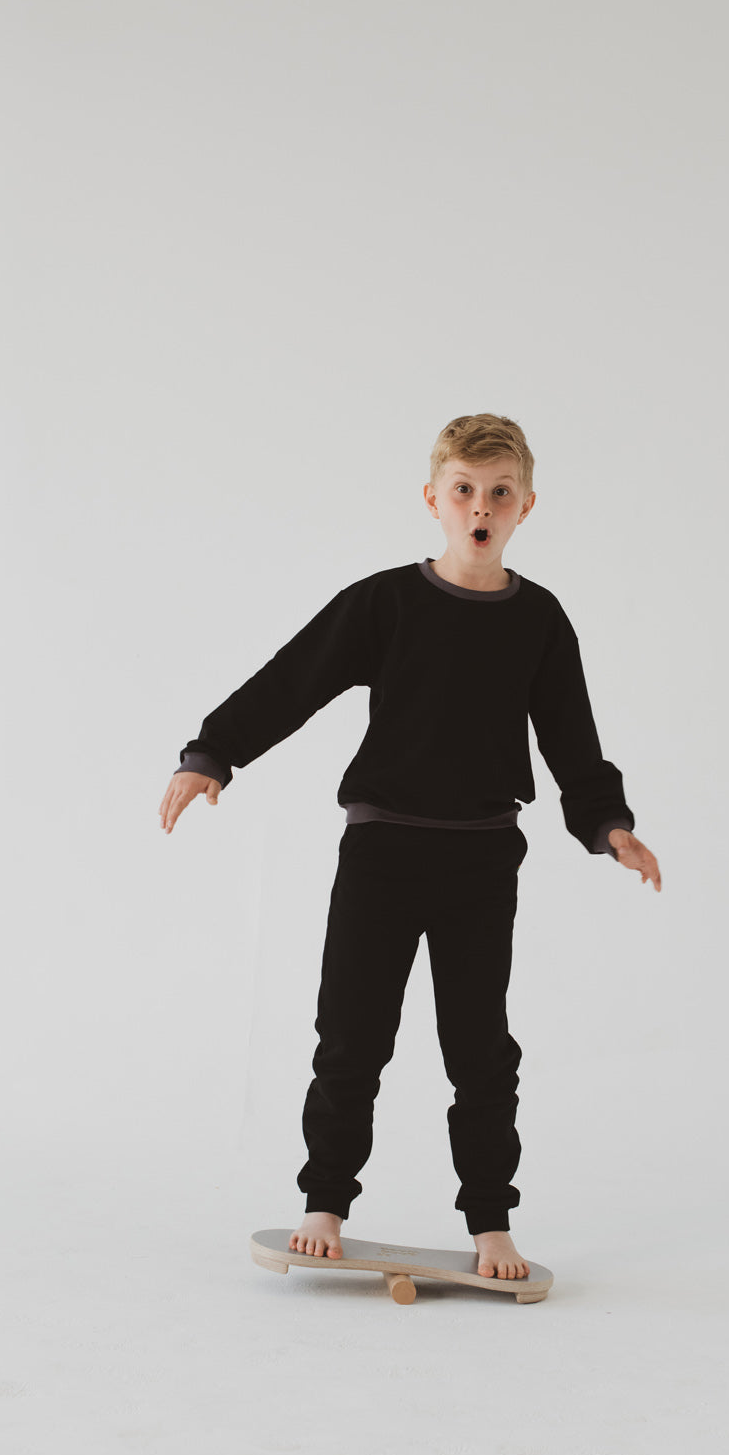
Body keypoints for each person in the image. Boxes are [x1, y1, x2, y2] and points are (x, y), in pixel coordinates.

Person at [158, 413, 662, 1281]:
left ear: (525, 506)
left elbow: (572, 741)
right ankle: (324, 1202)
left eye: (498, 493)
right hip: (381, 853)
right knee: (351, 1040)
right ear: (433, 499)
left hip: (482, 861)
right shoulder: (384, 603)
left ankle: (491, 1223)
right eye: (464, 490)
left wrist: (607, 825)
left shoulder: (539, 619)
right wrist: (213, 753)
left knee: (480, 1051)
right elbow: (294, 679)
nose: (480, 506)